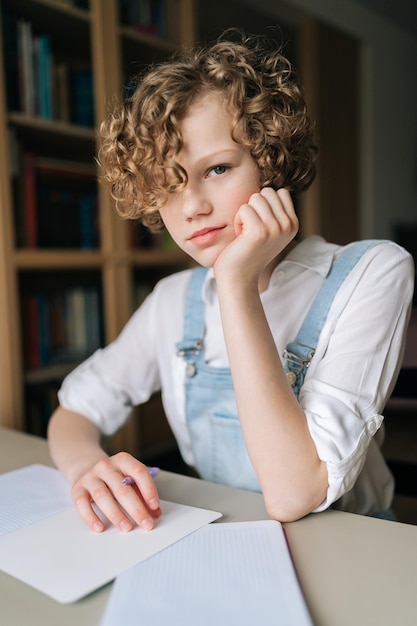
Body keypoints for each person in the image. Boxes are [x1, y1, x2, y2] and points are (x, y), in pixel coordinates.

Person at [47, 30, 414, 533]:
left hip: (354, 546)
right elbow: (73, 412)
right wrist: (86, 467)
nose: (193, 206)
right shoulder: (172, 301)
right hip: (227, 542)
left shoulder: (372, 271)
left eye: (217, 168)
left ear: (271, 161)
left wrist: (235, 285)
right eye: (169, 184)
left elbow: (292, 493)